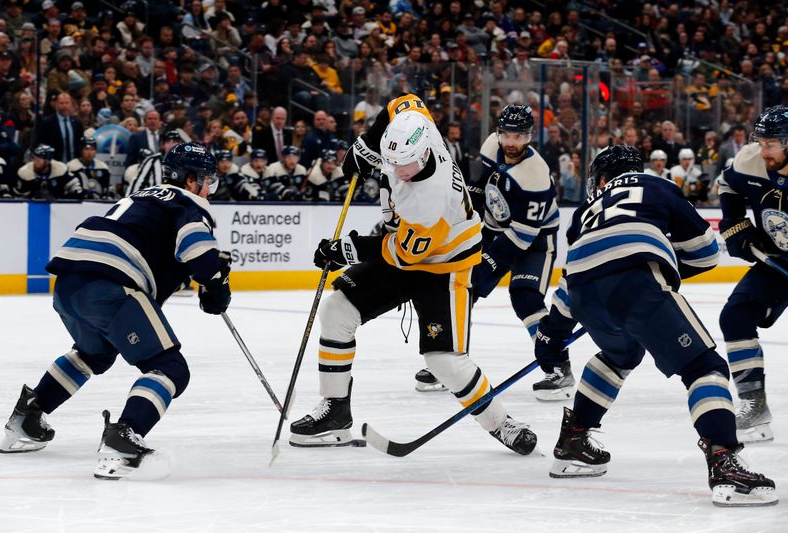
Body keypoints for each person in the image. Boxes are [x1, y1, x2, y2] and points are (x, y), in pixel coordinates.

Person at [289, 94, 537, 456]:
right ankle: (336, 412)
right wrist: (365, 145)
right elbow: (405, 101)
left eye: (403, 166)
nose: (395, 171)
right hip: (406, 248)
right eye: (391, 163)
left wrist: (348, 249)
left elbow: (402, 254)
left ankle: (502, 423)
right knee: (336, 312)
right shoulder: (421, 135)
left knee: (443, 361)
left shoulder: (428, 200)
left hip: (444, 266)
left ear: (422, 157)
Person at [535, 145, 776, 507]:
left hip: (585, 291)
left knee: (621, 353)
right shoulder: (657, 185)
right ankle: (724, 462)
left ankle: (573, 440)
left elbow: (573, 279)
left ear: (601, 179)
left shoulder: (585, 210)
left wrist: (551, 333)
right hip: (636, 283)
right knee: (704, 367)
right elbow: (707, 253)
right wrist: (663, 263)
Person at [0, 142, 231, 480]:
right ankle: (124, 438)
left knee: (96, 353)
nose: (210, 189)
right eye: (208, 180)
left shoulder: (141, 196)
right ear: (192, 179)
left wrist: (202, 277)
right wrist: (216, 284)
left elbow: (158, 253)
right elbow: (200, 253)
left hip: (68, 282)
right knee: (170, 368)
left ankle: (27, 418)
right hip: (110, 284)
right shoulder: (189, 203)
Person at [414, 104, 566, 401]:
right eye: (507, 135)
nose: (511, 143)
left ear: (530, 137)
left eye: (519, 137)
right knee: (462, 288)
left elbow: (521, 237)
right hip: (497, 228)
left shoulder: (535, 176)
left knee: (525, 297)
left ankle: (558, 366)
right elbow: (480, 185)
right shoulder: (492, 146)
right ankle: (449, 363)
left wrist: (490, 260)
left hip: (535, 239)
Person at [716, 105, 788, 444]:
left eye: (770, 144)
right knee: (735, 316)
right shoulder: (751, 160)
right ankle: (754, 403)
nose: (763, 150)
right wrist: (734, 225)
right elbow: (726, 184)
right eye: (760, 142)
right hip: (777, 262)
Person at [14, 144, 84, 200]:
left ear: (48, 160)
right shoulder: (24, 172)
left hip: (59, 205)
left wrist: (77, 191)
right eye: (34, 158)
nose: (35, 161)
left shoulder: (60, 168)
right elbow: (19, 196)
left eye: (39, 159)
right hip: (33, 206)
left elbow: (74, 185)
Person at [125, 130, 182, 196]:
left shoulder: (184, 163)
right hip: (152, 202)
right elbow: (137, 184)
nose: (172, 145)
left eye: (175, 142)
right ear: (162, 145)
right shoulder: (152, 160)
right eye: (168, 142)